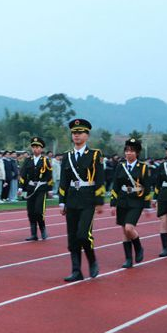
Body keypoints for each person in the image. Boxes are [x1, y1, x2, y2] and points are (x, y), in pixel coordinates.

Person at [58, 118, 105, 281]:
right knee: (72, 237)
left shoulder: (95, 154)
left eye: (80, 132)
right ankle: (76, 270)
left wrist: (99, 201)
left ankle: (92, 260)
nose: (76, 135)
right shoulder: (67, 156)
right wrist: (62, 201)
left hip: (88, 199)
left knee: (83, 234)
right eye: (74, 133)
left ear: (87, 135)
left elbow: (100, 178)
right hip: (72, 198)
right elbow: (64, 180)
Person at [110, 138, 152, 268]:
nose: (129, 153)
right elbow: (115, 185)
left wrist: (147, 206)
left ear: (137, 153)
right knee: (124, 231)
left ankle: (138, 247)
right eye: (127, 151)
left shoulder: (143, 167)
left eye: (132, 151)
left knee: (129, 228)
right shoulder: (120, 166)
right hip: (122, 200)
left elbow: (147, 187)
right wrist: (113, 203)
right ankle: (128, 259)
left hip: (136, 201)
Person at [19, 137, 53, 241]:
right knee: (30, 212)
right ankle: (33, 234)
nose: (35, 149)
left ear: (41, 149)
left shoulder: (45, 160)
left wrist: (50, 189)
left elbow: (49, 175)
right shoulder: (28, 160)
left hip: (41, 188)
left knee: (39, 211)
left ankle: (43, 230)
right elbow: (23, 174)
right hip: (30, 188)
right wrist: (20, 188)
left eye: (37, 147)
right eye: (33, 147)